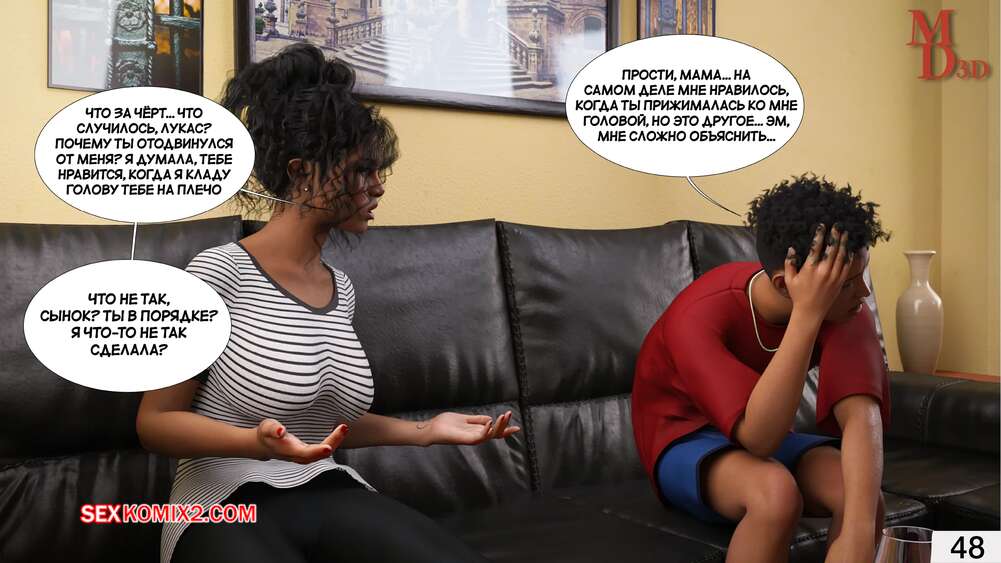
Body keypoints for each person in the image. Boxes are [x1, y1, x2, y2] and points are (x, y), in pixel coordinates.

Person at [136, 43, 518, 563]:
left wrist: (426, 431)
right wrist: (255, 443)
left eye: (379, 171)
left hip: (325, 487)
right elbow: (155, 422)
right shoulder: (217, 273)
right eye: (362, 170)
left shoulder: (341, 288)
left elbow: (325, 424)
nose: (377, 187)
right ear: (302, 173)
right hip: (222, 497)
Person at [631, 174, 893, 563]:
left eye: (861, 276)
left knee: (862, 497)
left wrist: (857, 536)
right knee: (775, 495)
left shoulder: (845, 304)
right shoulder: (698, 316)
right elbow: (760, 440)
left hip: (761, 426)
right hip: (682, 436)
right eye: (848, 284)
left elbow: (860, 416)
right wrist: (807, 315)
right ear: (785, 285)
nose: (864, 293)